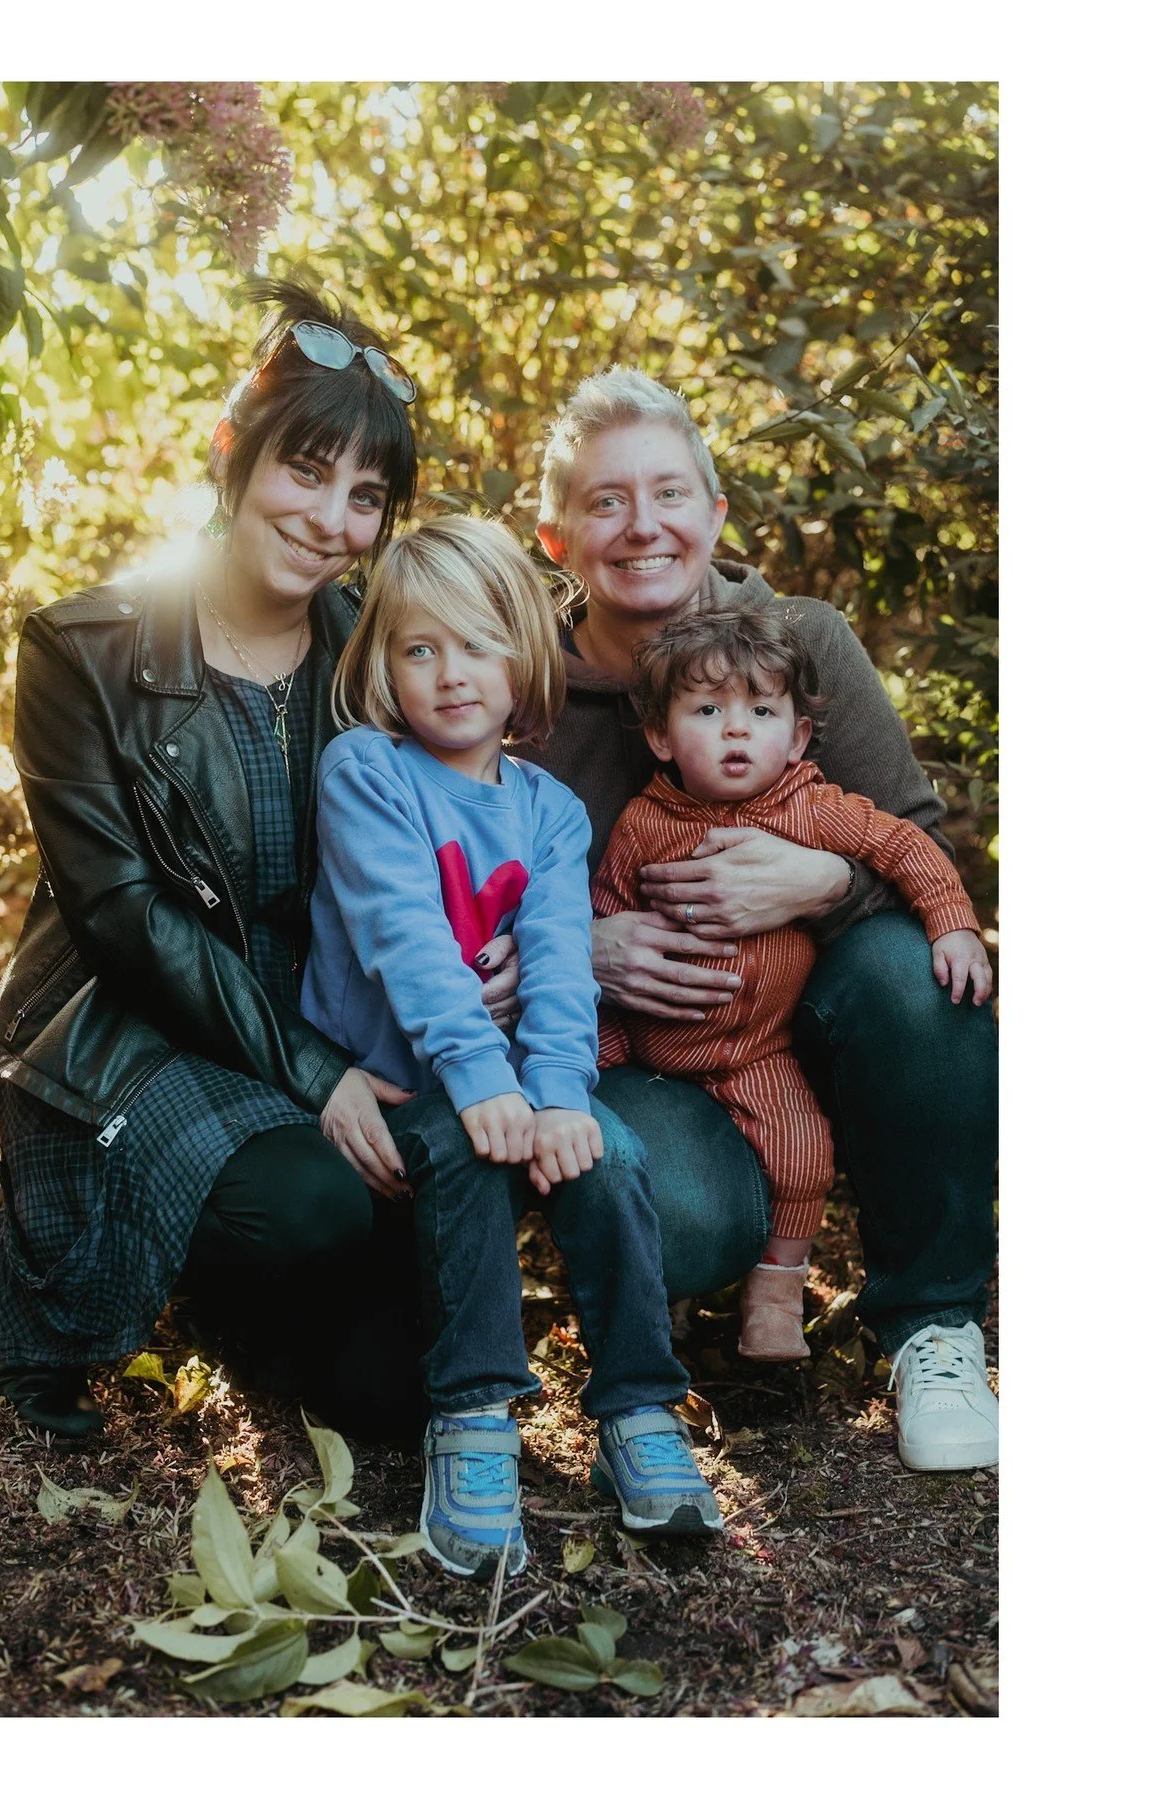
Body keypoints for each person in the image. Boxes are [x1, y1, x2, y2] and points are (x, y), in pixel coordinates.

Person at [0, 280, 465, 1439]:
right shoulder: (82, 650)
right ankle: (157, 1267)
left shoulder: (377, 657)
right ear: (232, 450)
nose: (329, 519)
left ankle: (249, 1307)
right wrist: (314, 1074)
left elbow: (453, 836)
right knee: (313, 1204)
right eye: (306, 469)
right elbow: (124, 916)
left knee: (394, 1395)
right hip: (134, 1024)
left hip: (327, 1013)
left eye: (365, 496)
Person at [507, 367, 998, 1472]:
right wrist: (576, 948)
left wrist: (818, 883)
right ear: (556, 539)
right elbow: (457, 890)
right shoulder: (517, 691)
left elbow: (914, 840)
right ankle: (714, 1261)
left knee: (922, 979)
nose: (645, 526)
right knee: (677, 1214)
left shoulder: (804, 639)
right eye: (606, 501)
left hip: (815, 1015)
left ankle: (933, 1326)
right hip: (651, 1052)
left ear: (716, 515)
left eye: (672, 492)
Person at [301, 515, 721, 1579]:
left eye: (480, 644)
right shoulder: (367, 770)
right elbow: (402, 934)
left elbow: (559, 962)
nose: (451, 675)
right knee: (469, 1156)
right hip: (403, 1069)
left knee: (609, 1159)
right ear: (385, 666)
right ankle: (476, 1412)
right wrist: (489, 1086)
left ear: (523, 656)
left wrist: (561, 1094)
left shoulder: (550, 808)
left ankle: (638, 1406)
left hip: (505, 1068)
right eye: (421, 649)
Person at [593, 607, 992, 1429]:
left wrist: (952, 921)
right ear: (662, 737)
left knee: (804, 1149)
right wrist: (603, 1045)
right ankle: (653, 1320)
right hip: (655, 1051)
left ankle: (777, 1295)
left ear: (800, 736)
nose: (736, 733)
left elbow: (906, 847)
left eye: (762, 714)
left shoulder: (811, 807)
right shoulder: (642, 825)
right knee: (656, 1185)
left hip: (762, 1050)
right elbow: (603, 917)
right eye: (707, 713)